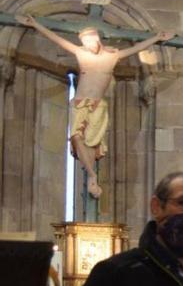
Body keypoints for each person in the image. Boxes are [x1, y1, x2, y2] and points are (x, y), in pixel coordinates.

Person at [17, 15, 172, 200]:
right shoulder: (82, 54)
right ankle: (92, 174)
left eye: (91, 41)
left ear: (97, 38)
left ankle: (92, 178)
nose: (89, 45)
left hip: (99, 105)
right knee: (76, 137)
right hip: (79, 102)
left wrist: (157, 38)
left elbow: (136, 48)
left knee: (92, 142)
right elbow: (57, 40)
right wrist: (35, 24)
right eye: (86, 42)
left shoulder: (112, 56)